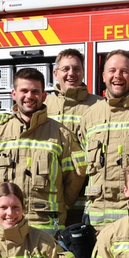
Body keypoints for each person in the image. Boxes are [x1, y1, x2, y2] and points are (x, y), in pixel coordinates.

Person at [0, 67, 86, 232]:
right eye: (24, 90)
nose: (29, 96)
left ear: (43, 96)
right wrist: (0, 204)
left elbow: (76, 176)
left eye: (35, 91)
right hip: (5, 227)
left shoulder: (61, 135)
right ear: (14, 94)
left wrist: (60, 205)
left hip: (46, 227)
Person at [79, 50, 129, 227]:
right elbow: (82, 171)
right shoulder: (90, 117)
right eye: (112, 71)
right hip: (97, 223)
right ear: (104, 75)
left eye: (124, 71)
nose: (118, 76)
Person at [45, 48, 102, 226]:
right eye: (66, 69)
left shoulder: (100, 105)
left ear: (83, 72)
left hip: (86, 199)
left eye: (76, 69)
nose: (71, 74)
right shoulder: (42, 106)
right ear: (56, 73)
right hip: (49, 199)